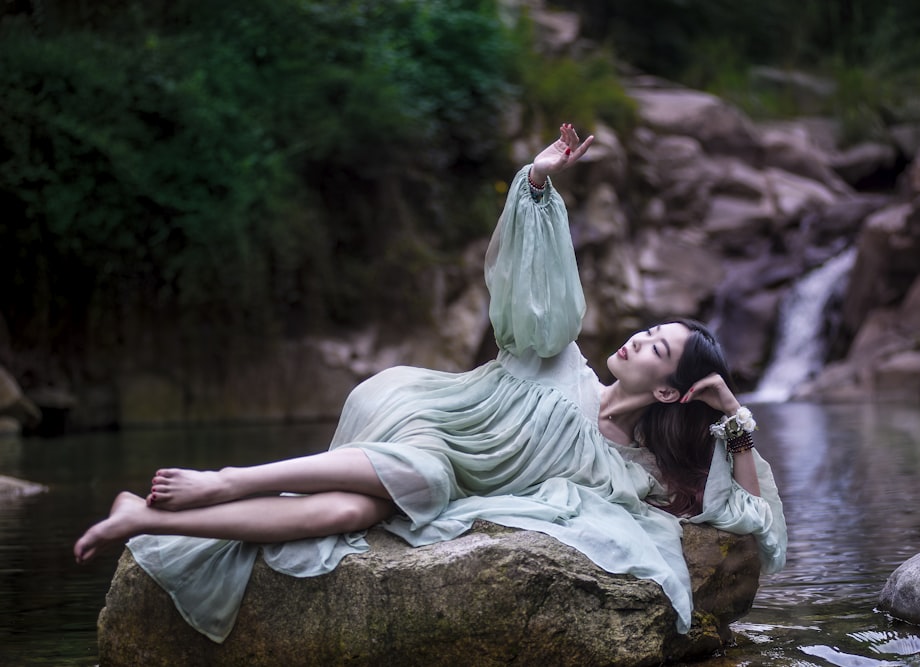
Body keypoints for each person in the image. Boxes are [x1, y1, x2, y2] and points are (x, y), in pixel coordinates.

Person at [74, 123, 785, 643]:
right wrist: (535, 182)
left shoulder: (633, 472)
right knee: (422, 473)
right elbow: (526, 277)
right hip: (417, 413)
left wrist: (732, 413)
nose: (637, 336)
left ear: (669, 390)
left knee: (347, 518)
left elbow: (754, 525)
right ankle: (227, 478)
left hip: (430, 478)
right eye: (649, 328)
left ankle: (146, 518)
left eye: (657, 344)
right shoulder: (555, 352)